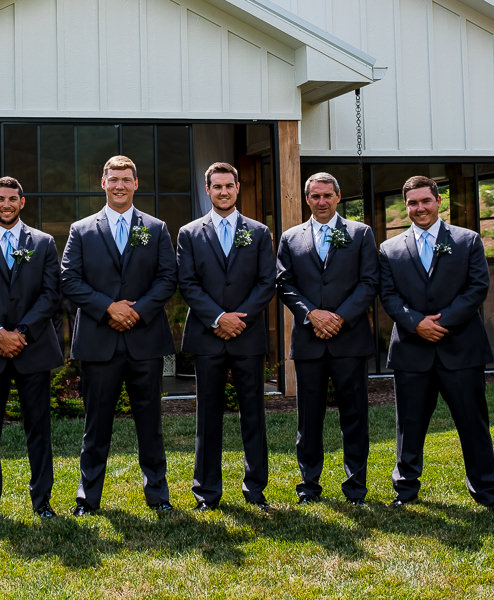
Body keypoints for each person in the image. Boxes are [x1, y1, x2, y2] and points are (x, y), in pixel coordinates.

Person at [377, 176, 494, 512]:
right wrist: (416, 323)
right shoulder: (389, 249)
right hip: (411, 351)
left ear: (438, 201)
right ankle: (405, 491)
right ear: (406, 207)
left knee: (473, 424)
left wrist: (441, 322)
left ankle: (488, 493)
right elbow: (388, 296)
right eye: (413, 203)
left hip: (460, 348)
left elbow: (477, 288)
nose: (420, 208)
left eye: (425, 201)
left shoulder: (467, 241)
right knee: (409, 426)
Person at [60, 155, 177, 515]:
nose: (120, 185)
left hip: (144, 341)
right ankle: (88, 498)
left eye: (126, 179)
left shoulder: (155, 229)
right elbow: (69, 279)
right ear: (103, 183)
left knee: (150, 425)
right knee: (96, 426)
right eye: (114, 179)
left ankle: (158, 496)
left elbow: (167, 278)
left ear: (136, 184)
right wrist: (109, 308)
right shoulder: (82, 230)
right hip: (99, 340)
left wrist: (136, 311)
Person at [0, 177, 63, 522]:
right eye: (0, 199)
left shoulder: (44, 242)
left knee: (39, 428)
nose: (6, 204)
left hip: (32, 348)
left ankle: (43, 501)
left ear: (22, 202)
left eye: (12, 199)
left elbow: (51, 294)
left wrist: (20, 332)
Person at [177, 162, 275, 512]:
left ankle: (256, 489)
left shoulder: (259, 232)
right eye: (216, 186)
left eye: (228, 186)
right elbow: (187, 283)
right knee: (208, 415)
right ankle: (207, 492)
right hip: (208, 336)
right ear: (208, 190)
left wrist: (239, 319)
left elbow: (267, 282)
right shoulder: (189, 233)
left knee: (254, 414)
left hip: (247, 336)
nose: (223, 192)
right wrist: (218, 318)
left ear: (238, 188)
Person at [276, 171, 379, 505]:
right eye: (314, 196)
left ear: (338, 196)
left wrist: (340, 317)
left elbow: (369, 282)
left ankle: (356, 487)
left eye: (327, 196)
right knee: (309, 417)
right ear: (307, 199)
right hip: (309, 339)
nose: (321, 202)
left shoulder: (360, 233)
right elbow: (284, 283)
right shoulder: (290, 238)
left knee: (354, 415)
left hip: (349, 338)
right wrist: (311, 314)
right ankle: (309, 485)